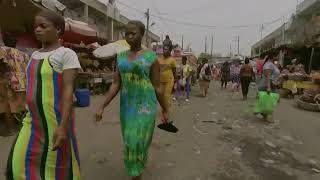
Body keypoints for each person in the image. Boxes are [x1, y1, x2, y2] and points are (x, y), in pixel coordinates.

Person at [6, 10, 81, 179]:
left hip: (55, 121)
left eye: (43, 26)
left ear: (58, 30)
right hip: (32, 120)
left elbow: (69, 90)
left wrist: (63, 127)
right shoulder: (34, 55)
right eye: (35, 27)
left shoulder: (66, 54)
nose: (37, 30)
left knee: (57, 168)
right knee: (18, 165)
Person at [95, 20, 168, 180]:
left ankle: (136, 174)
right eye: (126, 33)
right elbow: (115, 84)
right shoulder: (120, 57)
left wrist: (165, 108)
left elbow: (157, 87)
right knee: (130, 140)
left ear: (142, 35)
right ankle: (137, 169)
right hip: (127, 107)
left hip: (146, 106)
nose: (129, 36)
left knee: (138, 141)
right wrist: (102, 106)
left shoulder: (151, 57)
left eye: (133, 33)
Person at [257, 55, 280, 121]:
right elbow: (268, 76)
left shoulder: (272, 64)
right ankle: (266, 115)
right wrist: (268, 87)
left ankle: (264, 114)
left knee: (270, 101)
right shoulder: (268, 65)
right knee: (270, 101)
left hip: (271, 85)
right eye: (277, 55)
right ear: (272, 56)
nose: (278, 57)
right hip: (266, 85)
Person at [158, 45, 176, 118]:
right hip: (161, 80)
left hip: (169, 80)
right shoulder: (159, 59)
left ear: (169, 51)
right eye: (164, 49)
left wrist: (176, 80)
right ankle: (166, 105)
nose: (165, 51)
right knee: (160, 96)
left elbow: (174, 71)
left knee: (166, 96)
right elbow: (157, 70)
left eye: (166, 49)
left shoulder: (172, 60)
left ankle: (166, 112)